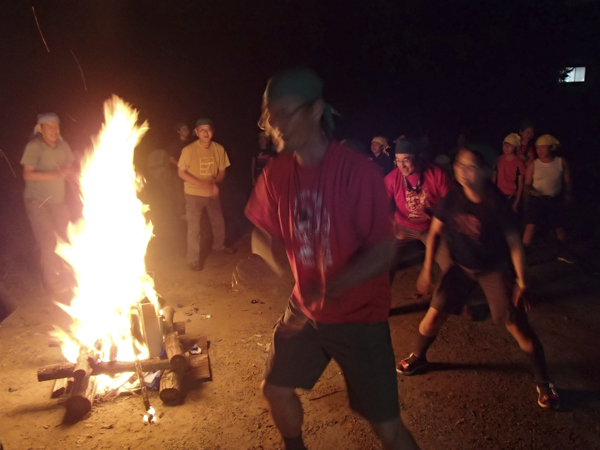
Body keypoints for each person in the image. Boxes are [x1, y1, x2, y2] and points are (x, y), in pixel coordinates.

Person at [246, 68, 418, 450]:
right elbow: (262, 231)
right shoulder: (277, 173)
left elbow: (384, 250)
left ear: (316, 110)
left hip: (358, 316)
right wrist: (275, 266)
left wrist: (335, 284)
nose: (278, 126)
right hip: (305, 311)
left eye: (287, 114)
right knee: (275, 389)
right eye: (272, 117)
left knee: (386, 426)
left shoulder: (356, 172)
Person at [396, 147, 559, 410]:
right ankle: (419, 356)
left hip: (494, 270)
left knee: (517, 326)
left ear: (485, 171)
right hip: (460, 268)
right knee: (432, 317)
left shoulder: (496, 204)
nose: (462, 170)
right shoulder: (452, 199)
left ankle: (544, 381)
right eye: (459, 164)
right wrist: (427, 270)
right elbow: (435, 232)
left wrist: (522, 282)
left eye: (470, 166)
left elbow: (515, 244)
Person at [20, 113, 75, 292]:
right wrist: (57, 175)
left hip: (58, 202)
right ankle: (52, 282)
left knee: (67, 237)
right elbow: (27, 174)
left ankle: (69, 276)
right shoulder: (34, 147)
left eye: (56, 126)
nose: (54, 130)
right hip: (37, 202)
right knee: (49, 240)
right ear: (40, 128)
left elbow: (71, 167)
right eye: (49, 127)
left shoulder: (63, 146)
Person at [385, 137, 452, 280]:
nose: (401, 165)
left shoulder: (437, 175)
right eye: (398, 160)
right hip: (403, 227)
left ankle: (448, 300)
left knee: (449, 266)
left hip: (430, 228)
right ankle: (378, 301)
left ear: (419, 158)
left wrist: (442, 222)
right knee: (385, 267)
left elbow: (452, 202)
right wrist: (391, 221)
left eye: (406, 160)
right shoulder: (393, 178)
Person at [178, 118, 236, 271]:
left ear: (212, 132)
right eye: (201, 129)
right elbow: (181, 172)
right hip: (193, 194)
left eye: (208, 129)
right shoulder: (189, 150)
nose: (205, 132)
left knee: (218, 221)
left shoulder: (218, 149)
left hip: (211, 194)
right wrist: (202, 184)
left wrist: (214, 184)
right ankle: (193, 259)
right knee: (194, 227)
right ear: (196, 132)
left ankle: (219, 245)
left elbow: (222, 170)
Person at [522, 135, 572, 257]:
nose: (540, 150)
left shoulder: (560, 162)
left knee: (559, 226)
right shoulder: (534, 164)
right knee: (530, 226)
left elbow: (567, 181)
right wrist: (528, 197)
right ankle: (522, 254)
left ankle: (563, 252)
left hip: (554, 199)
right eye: (538, 148)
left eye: (543, 147)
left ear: (552, 148)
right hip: (537, 199)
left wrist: (569, 194)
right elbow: (527, 184)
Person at [492, 133, 526, 212]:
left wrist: (516, 203)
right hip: (498, 195)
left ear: (515, 147)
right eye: (505, 144)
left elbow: (520, 185)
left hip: (511, 197)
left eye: (509, 145)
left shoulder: (519, 163)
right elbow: (493, 179)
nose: (506, 147)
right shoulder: (498, 159)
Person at [168, 123, 191, 217]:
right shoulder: (176, 144)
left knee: (190, 194)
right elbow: (171, 159)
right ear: (179, 131)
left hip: (190, 173)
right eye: (184, 129)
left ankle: (190, 213)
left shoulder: (191, 143)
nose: (186, 131)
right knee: (181, 194)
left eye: (187, 129)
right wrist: (182, 167)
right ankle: (182, 215)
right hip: (178, 174)